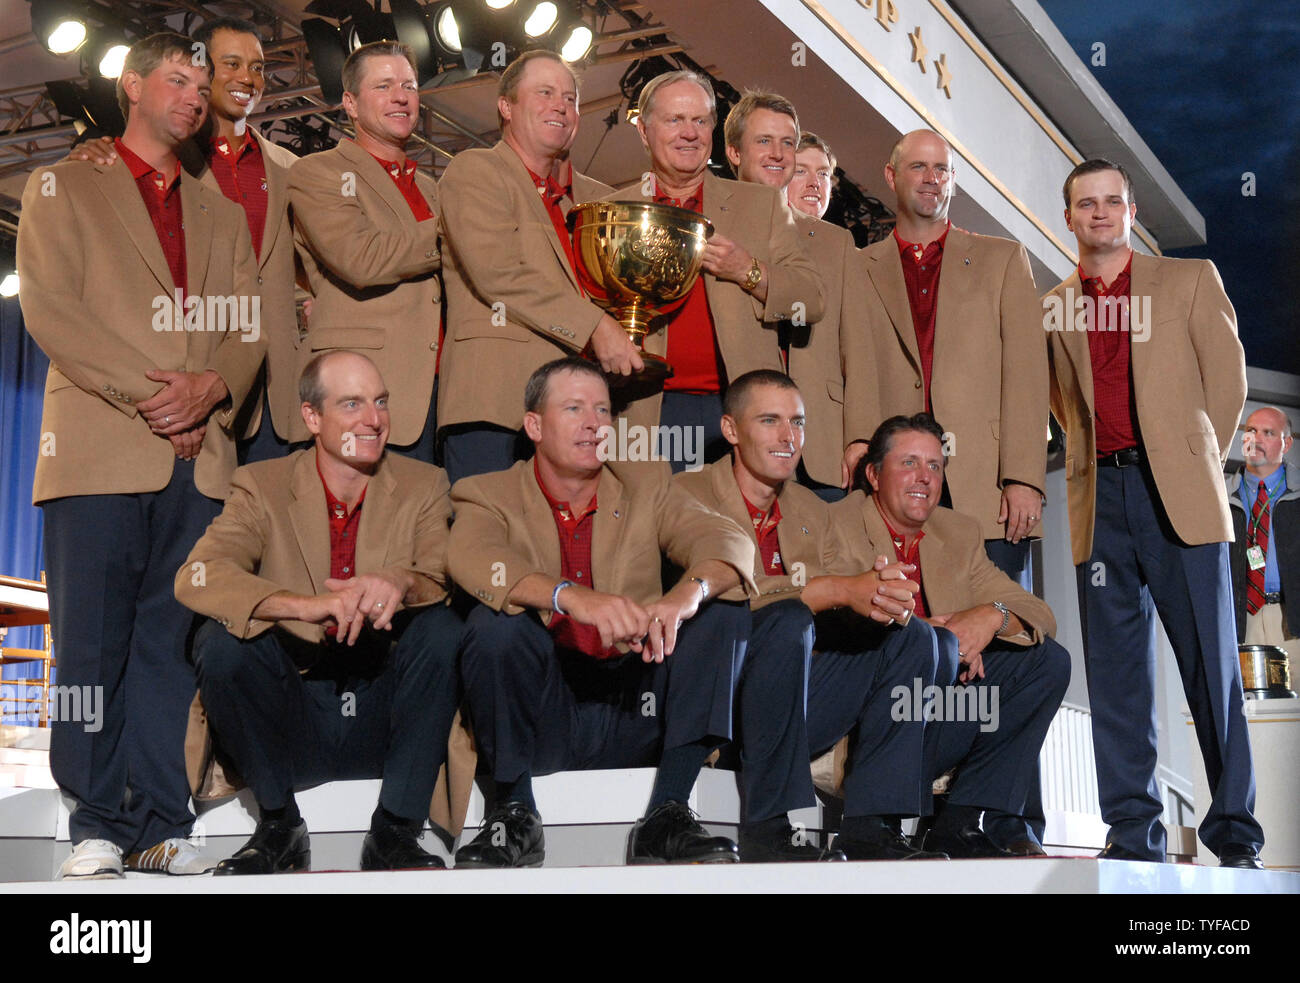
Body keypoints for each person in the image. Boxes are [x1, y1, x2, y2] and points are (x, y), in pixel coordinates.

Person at [17, 32, 264, 878]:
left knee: (172, 646)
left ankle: (163, 820)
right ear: (132, 85)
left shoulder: (221, 212)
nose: (196, 95)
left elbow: (248, 332)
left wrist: (210, 389)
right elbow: (52, 311)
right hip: (97, 450)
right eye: (179, 79)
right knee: (90, 647)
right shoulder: (63, 185)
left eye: (205, 84)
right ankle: (92, 818)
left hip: (197, 458)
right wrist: (159, 397)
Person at [447, 357, 756, 867]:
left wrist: (683, 599)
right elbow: (476, 560)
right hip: (549, 713)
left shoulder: (645, 483)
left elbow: (728, 541)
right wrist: (572, 596)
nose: (594, 423)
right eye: (574, 408)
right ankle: (514, 812)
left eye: (603, 410)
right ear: (534, 426)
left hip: (635, 706)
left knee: (722, 611)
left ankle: (668, 813)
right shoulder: (487, 493)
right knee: (493, 623)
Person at [1044, 157, 1264, 868]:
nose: (1101, 214)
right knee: (1115, 678)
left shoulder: (1189, 281)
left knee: (1211, 671)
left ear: (1132, 213)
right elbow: (1062, 403)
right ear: (1069, 218)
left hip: (1181, 498)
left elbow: (1226, 387)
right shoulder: (1058, 303)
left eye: (1113, 202)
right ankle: (1133, 835)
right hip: (1100, 500)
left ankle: (1235, 835)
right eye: (1087, 204)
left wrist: (1187, 457)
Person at [176, 351, 463, 873]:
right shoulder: (260, 484)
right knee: (219, 642)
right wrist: (307, 606)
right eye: (351, 403)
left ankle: (396, 833)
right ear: (312, 418)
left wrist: (397, 581)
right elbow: (197, 576)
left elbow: (444, 571)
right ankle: (280, 826)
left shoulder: (425, 484)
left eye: (380, 402)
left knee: (443, 629)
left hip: (385, 713)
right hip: (292, 719)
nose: (372, 420)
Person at [675, 371, 946, 861]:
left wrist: (877, 597)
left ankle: (870, 826)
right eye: (770, 420)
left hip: (792, 702)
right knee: (786, 620)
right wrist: (834, 589)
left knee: (914, 637)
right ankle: (767, 827)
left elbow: (839, 599)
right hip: (716, 703)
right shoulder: (686, 491)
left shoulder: (813, 509)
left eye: (797, 422)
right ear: (732, 430)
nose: (788, 436)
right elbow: (715, 595)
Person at [63, 17, 302, 464]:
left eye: (258, 67)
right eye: (231, 63)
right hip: (192, 383)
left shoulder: (292, 169)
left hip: (278, 392)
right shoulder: (154, 160)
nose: (247, 78)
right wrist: (90, 151)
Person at [840, 414, 1071, 857]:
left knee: (1047, 662)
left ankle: (960, 822)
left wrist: (990, 617)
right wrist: (941, 636)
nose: (924, 478)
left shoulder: (957, 532)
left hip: (936, 712)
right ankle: (872, 826)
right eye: (908, 463)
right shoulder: (841, 522)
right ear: (873, 473)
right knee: (930, 646)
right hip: (867, 714)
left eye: (934, 466)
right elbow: (830, 619)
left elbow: (1039, 614)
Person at [849, 129, 1046, 586]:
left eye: (942, 169)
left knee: (1001, 636)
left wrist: (1024, 478)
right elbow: (848, 369)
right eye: (919, 166)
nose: (931, 178)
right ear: (890, 175)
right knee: (908, 635)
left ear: (953, 181)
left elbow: (1028, 380)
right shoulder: (858, 268)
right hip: (894, 487)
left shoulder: (1003, 260)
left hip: (988, 488)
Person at [611, 71, 824, 472]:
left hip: (735, 412)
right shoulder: (612, 212)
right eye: (675, 120)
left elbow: (810, 297)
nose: (689, 133)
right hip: (641, 408)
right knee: (641, 532)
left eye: (700, 121)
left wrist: (749, 271)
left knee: (739, 535)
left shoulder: (761, 205)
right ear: (644, 130)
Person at [436, 50, 619, 483]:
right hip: (494, 405)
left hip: (572, 418)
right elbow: (500, 272)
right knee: (488, 545)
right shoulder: (475, 170)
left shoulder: (591, 203)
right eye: (545, 93)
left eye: (571, 99)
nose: (561, 106)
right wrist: (597, 327)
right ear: (506, 106)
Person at [289, 41, 441, 462]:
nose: (401, 96)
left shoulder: (433, 189)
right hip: (363, 395)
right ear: (350, 104)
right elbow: (360, 257)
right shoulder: (318, 173)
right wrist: (461, 231)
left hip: (440, 392)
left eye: (409, 86)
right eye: (384, 86)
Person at [724, 95, 867, 500]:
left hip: (823, 444)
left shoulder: (837, 244)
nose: (812, 182)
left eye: (823, 174)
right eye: (802, 170)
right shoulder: (722, 222)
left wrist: (859, 435)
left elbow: (858, 349)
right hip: (743, 428)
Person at [1227, 407, 1299, 660]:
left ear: (1286, 443)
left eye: (1268, 433)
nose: (1256, 439)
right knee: (1246, 699)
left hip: (1292, 622)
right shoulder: (1222, 496)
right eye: (1251, 431)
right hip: (1242, 622)